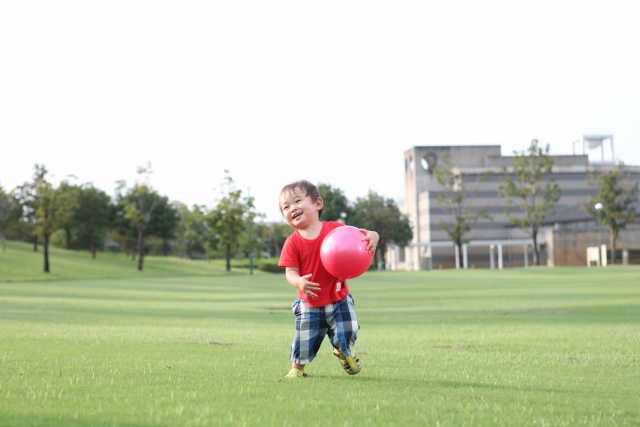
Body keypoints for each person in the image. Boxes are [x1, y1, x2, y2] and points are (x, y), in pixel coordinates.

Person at [277, 180, 379, 378]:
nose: (292, 208)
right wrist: (299, 282)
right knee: (304, 340)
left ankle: (343, 351)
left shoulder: (336, 230)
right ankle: (297, 370)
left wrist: (374, 235)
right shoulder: (292, 242)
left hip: (338, 297)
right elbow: (290, 272)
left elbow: (363, 235)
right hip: (309, 303)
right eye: (285, 207)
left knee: (348, 330)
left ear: (317, 203)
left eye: (297, 201)